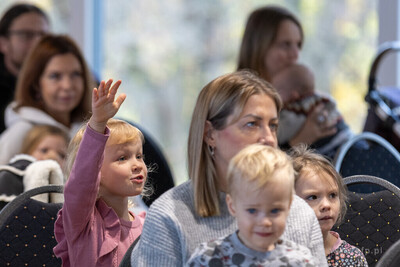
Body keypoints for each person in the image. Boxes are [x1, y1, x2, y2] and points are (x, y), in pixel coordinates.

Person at [131, 70, 327, 266]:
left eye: (273, 126)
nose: (268, 138)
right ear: (210, 134)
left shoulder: (300, 212)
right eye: (252, 124)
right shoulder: (168, 216)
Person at [53, 79, 147, 266]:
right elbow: (81, 182)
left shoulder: (148, 225)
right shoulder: (83, 222)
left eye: (139, 156)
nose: (137, 165)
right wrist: (97, 124)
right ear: (96, 169)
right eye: (122, 158)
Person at [187, 144, 316, 266]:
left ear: (289, 207)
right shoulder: (207, 258)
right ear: (232, 206)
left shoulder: (300, 260)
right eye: (252, 211)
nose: (265, 222)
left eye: (275, 211)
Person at [237, 5, 338, 150]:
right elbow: (250, 169)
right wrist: (300, 141)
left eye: (298, 45)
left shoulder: (296, 98)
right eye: (285, 45)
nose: (295, 54)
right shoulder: (237, 104)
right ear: (259, 47)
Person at [0, 34, 94, 165]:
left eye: (75, 74)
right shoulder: (21, 131)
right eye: (55, 76)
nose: (67, 86)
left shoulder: (91, 130)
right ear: (36, 84)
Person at [290, 144, 368, 266]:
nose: (326, 205)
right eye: (313, 197)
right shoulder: (276, 254)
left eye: (332, 195)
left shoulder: (352, 258)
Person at [272, 63, 353, 159]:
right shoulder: (319, 98)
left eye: (277, 90)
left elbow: (282, 131)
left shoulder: (295, 110)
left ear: (294, 95)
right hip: (346, 135)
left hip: (333, 146)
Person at [0, 3, 49, 133]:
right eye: (26, 35)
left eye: (43, 35)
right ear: (3, 43)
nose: (37, 43)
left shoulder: (67, 74)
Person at [0, 124, 68, 210]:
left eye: (61, 155)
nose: (53, 156)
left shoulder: (68, 186)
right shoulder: (12, 175)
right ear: (28, 151)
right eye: (44, 150)